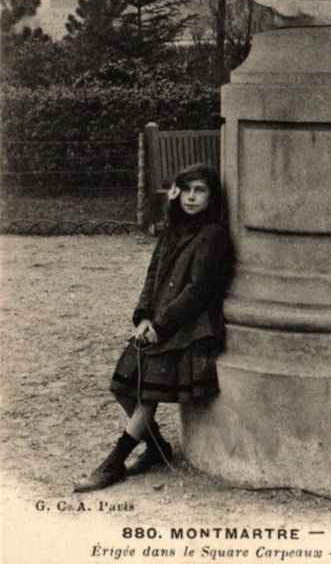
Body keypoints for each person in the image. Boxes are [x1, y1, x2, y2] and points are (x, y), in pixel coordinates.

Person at [73, 164, 234, 492]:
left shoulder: (213, 236)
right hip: (158, 322)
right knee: (122, 384)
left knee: (147, 393)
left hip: (187, 327)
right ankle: (159, 448)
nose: (191, 197)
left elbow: (198, 290)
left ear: (211, 196)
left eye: (199, 191)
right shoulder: (172, 230)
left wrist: (162, 324)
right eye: (185, 190)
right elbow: (152, 276)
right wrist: (144, 316)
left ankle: (114, 463)